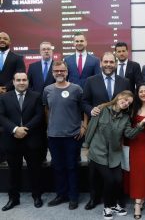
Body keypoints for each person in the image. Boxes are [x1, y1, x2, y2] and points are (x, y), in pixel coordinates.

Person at [85, 90, 145, 220]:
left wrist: (140, 125)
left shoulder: (126, 117)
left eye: (129, 102)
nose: (126, 103)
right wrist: (86, 146)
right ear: (118, 97)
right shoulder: (102, 109)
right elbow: (91, 128)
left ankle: (115, 204)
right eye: (125, 99)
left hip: (115, 154)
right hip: (98, 152)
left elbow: (129, 134)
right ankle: (107, 207)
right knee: (109, 180)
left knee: (118, 180)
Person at [82, 51, 130, 210]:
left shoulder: (125, 81)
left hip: (116, 132)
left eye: (111, 62)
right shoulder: (91, 81)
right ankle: (94, 198)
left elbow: (129, 101)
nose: (109, 65)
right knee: (95, 170)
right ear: (101, 63)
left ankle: (116, 199)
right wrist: (91, 110)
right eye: (106, 62)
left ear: (116, 64)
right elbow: (84, 101)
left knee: (115, 167)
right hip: (98, 132)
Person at [43, 61, 87, 210]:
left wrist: (84, 126)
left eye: (62, 70)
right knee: (58, 167)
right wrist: (49, 128)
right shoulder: (47, 90)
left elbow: (84, 109)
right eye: (56, 70)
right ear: (52, 73)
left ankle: (73, 197)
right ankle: (61, 195)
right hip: (54, 136)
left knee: (72, 167)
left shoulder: (76, 89)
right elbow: (47, 110)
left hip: (72, 136)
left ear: (67, 72)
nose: (59, 73)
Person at [0, 72, 44, 211]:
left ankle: (37, 196)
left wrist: (25, 129)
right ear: (13, 82)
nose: (21, 82)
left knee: (35, 171)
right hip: (11, 140)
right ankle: (14, 198)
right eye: (18, 80)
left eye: (24, 80)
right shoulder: (4, 97)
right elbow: (1, 116)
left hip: (31, 139)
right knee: (13, 171)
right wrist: (14, 129)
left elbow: (39, 116)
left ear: (28, 81)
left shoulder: (36, 96)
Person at [124, 83, 145, 219]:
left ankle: (137, 203)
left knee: (143, 172)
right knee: (134, 172)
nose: (144, 93)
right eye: (141, 91)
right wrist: (141, 124)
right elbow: (126, 128)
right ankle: (139, 199)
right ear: (137, 94)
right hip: (132, 143)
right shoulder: (132, 108)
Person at [0, 32, 26, 163]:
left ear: (10, 41)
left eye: (5, 38)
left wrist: (5, 88)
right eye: (0, 38)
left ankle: (5, 155)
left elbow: (19, 73)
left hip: (8, 95)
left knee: (6, 125)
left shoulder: (17, 58)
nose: (2, 40)